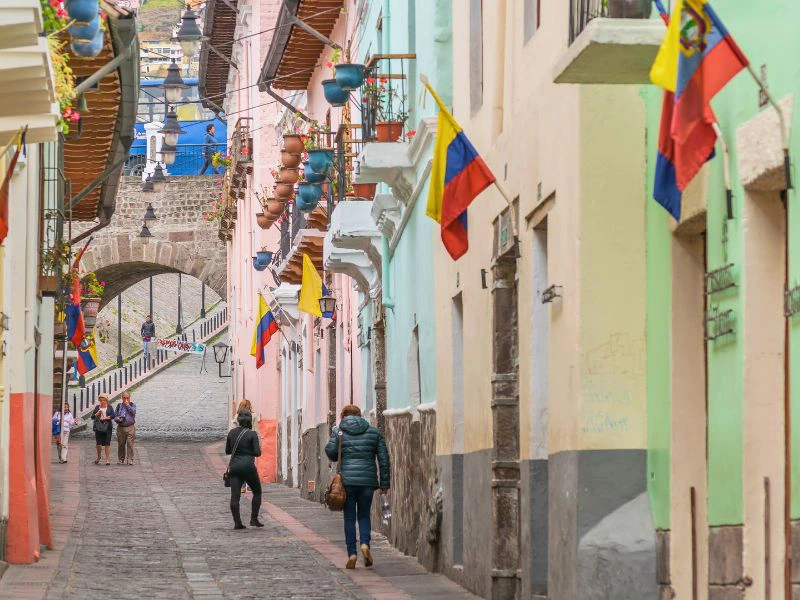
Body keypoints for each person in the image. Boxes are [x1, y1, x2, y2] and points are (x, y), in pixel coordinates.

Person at [325, 404, 390, 569]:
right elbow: (384, 459)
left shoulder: (339, 431)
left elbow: (331, 453)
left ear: (343, 416)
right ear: (360, 415)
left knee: (349, 517)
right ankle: (365, 544)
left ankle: (352, 553)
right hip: (367, 481)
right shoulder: (373, 432)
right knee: (364, 515)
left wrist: (334, 437)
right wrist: (384, 484)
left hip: (347, 481)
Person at [225, 410, 263, 530]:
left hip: (235, 467)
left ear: (238, 420)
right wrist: (248, 452)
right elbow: (257, 453)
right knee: (257, 492)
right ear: (250, 420)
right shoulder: (252, 434)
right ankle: (254, 519)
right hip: (248, 467)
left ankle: (237, 522)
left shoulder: (231, 433)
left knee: (235, 496)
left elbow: (228, 451)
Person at [91, 394, 115, 465]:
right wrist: (97, 414)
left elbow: (113, 415)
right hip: (98, 427)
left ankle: (107, 459)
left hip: (108, 427)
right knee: (99, 443)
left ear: (107, 400)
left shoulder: (110, 407)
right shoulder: (97, 407)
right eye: (101, 400)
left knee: (107, 443)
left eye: (104, 400)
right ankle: (99, 457)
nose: (102, 401)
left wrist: (107, 417)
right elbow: (92, 417)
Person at [115, 392, 137, 465]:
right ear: (122, 398)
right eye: (124, 398)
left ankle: (130, 459)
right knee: (121, 444)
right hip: (121, 427)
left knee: (130, 444)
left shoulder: (132, 405)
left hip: (130, 427)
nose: (126, 399)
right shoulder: (119, 406)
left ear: (130, 398)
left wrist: (128, 405)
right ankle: (121, 459)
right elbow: (115, 415)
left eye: (127, 398)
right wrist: (117, 419)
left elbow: (133, 413)